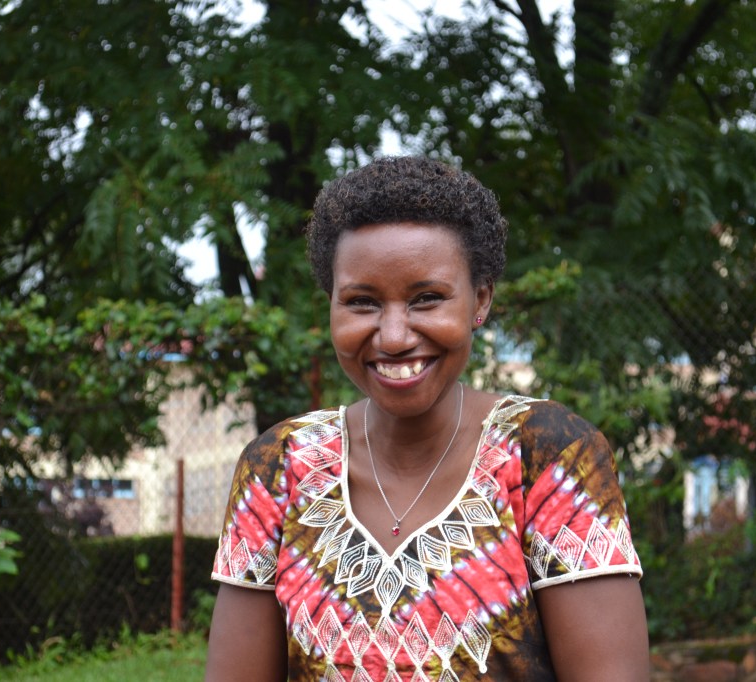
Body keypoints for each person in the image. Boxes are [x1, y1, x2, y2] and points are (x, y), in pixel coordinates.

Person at [205, 156, 649, 681]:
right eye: (362, 302)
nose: (394, 336)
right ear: (331, 306)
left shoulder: (549, 456)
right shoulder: (280, 466)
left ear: (480, 299)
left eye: (427, 299)